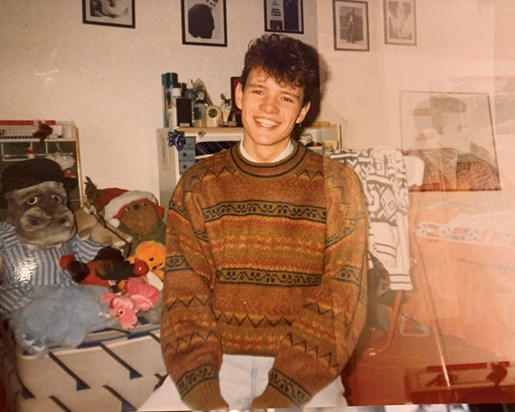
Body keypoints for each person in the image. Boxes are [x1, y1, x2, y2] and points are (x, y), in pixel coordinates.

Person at [140, 33, 368, 411]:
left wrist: (285, 391)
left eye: (286, 97)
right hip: (216, 361)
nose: (269, 107)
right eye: (259, 91)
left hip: (307, 367)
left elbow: (343, 297)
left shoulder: (338, 184)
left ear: (302, 111)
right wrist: (202, 390)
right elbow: (184, 292)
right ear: (239, 96)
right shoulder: (198, 183)